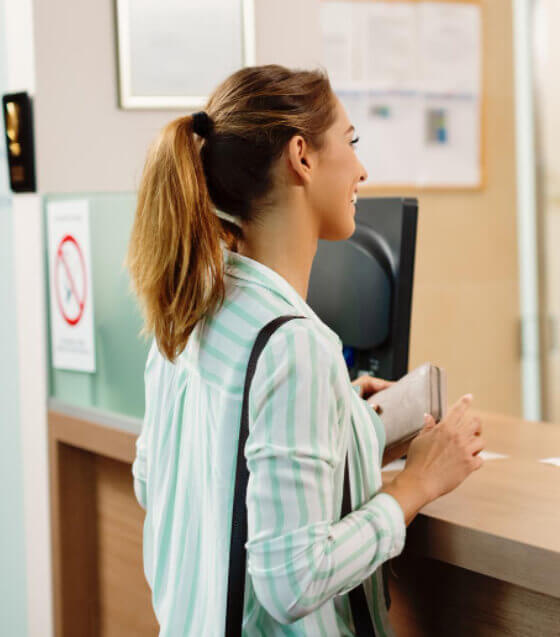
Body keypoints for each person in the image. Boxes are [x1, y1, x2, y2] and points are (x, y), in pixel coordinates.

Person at [128, 65, 483, 635]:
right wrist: (416, 484)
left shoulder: (190, 307)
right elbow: (294, 580)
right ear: (302, 157)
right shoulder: (293, 345)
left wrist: (345, 420)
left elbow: (158, 481)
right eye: (351, 141)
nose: (362, 170)